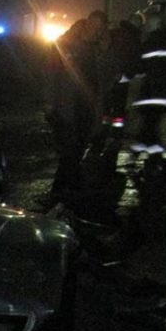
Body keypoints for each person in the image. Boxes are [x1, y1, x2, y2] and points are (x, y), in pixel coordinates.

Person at [45, 17, 102, 207]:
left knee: (75, 148)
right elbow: (53, 75)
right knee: (70, 149)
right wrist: (51, 102)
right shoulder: (69, 47)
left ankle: (69, 188)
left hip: (82, 106)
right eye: (95, 27)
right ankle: (61, 191)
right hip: (70, 106)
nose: (97, 32)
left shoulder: (91, 49)